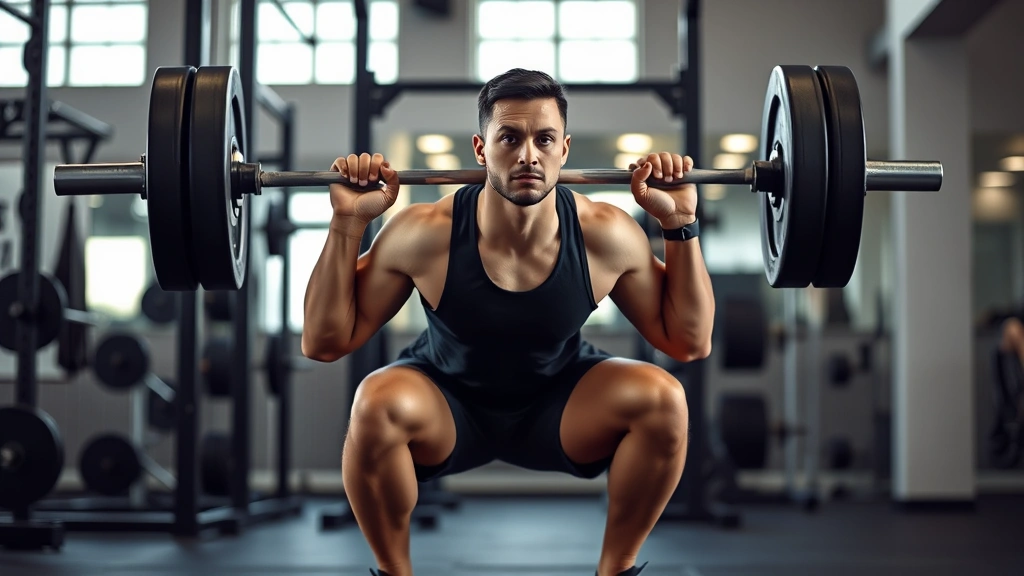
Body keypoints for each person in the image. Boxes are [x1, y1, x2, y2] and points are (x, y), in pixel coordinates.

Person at [301, 68, 715, 576]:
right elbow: (323, 341)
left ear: (564, 149)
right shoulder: (424, 232)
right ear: (481, 149)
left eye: (544, 140)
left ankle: (617, 570)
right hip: (446, 405)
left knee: (664, 398)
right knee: (374, 402)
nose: (527, 156)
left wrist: (680, 226)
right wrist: (347, 225)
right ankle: (394, 572)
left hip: (560, 406)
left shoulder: (604, 233)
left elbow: (689, 341)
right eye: (509, 138)